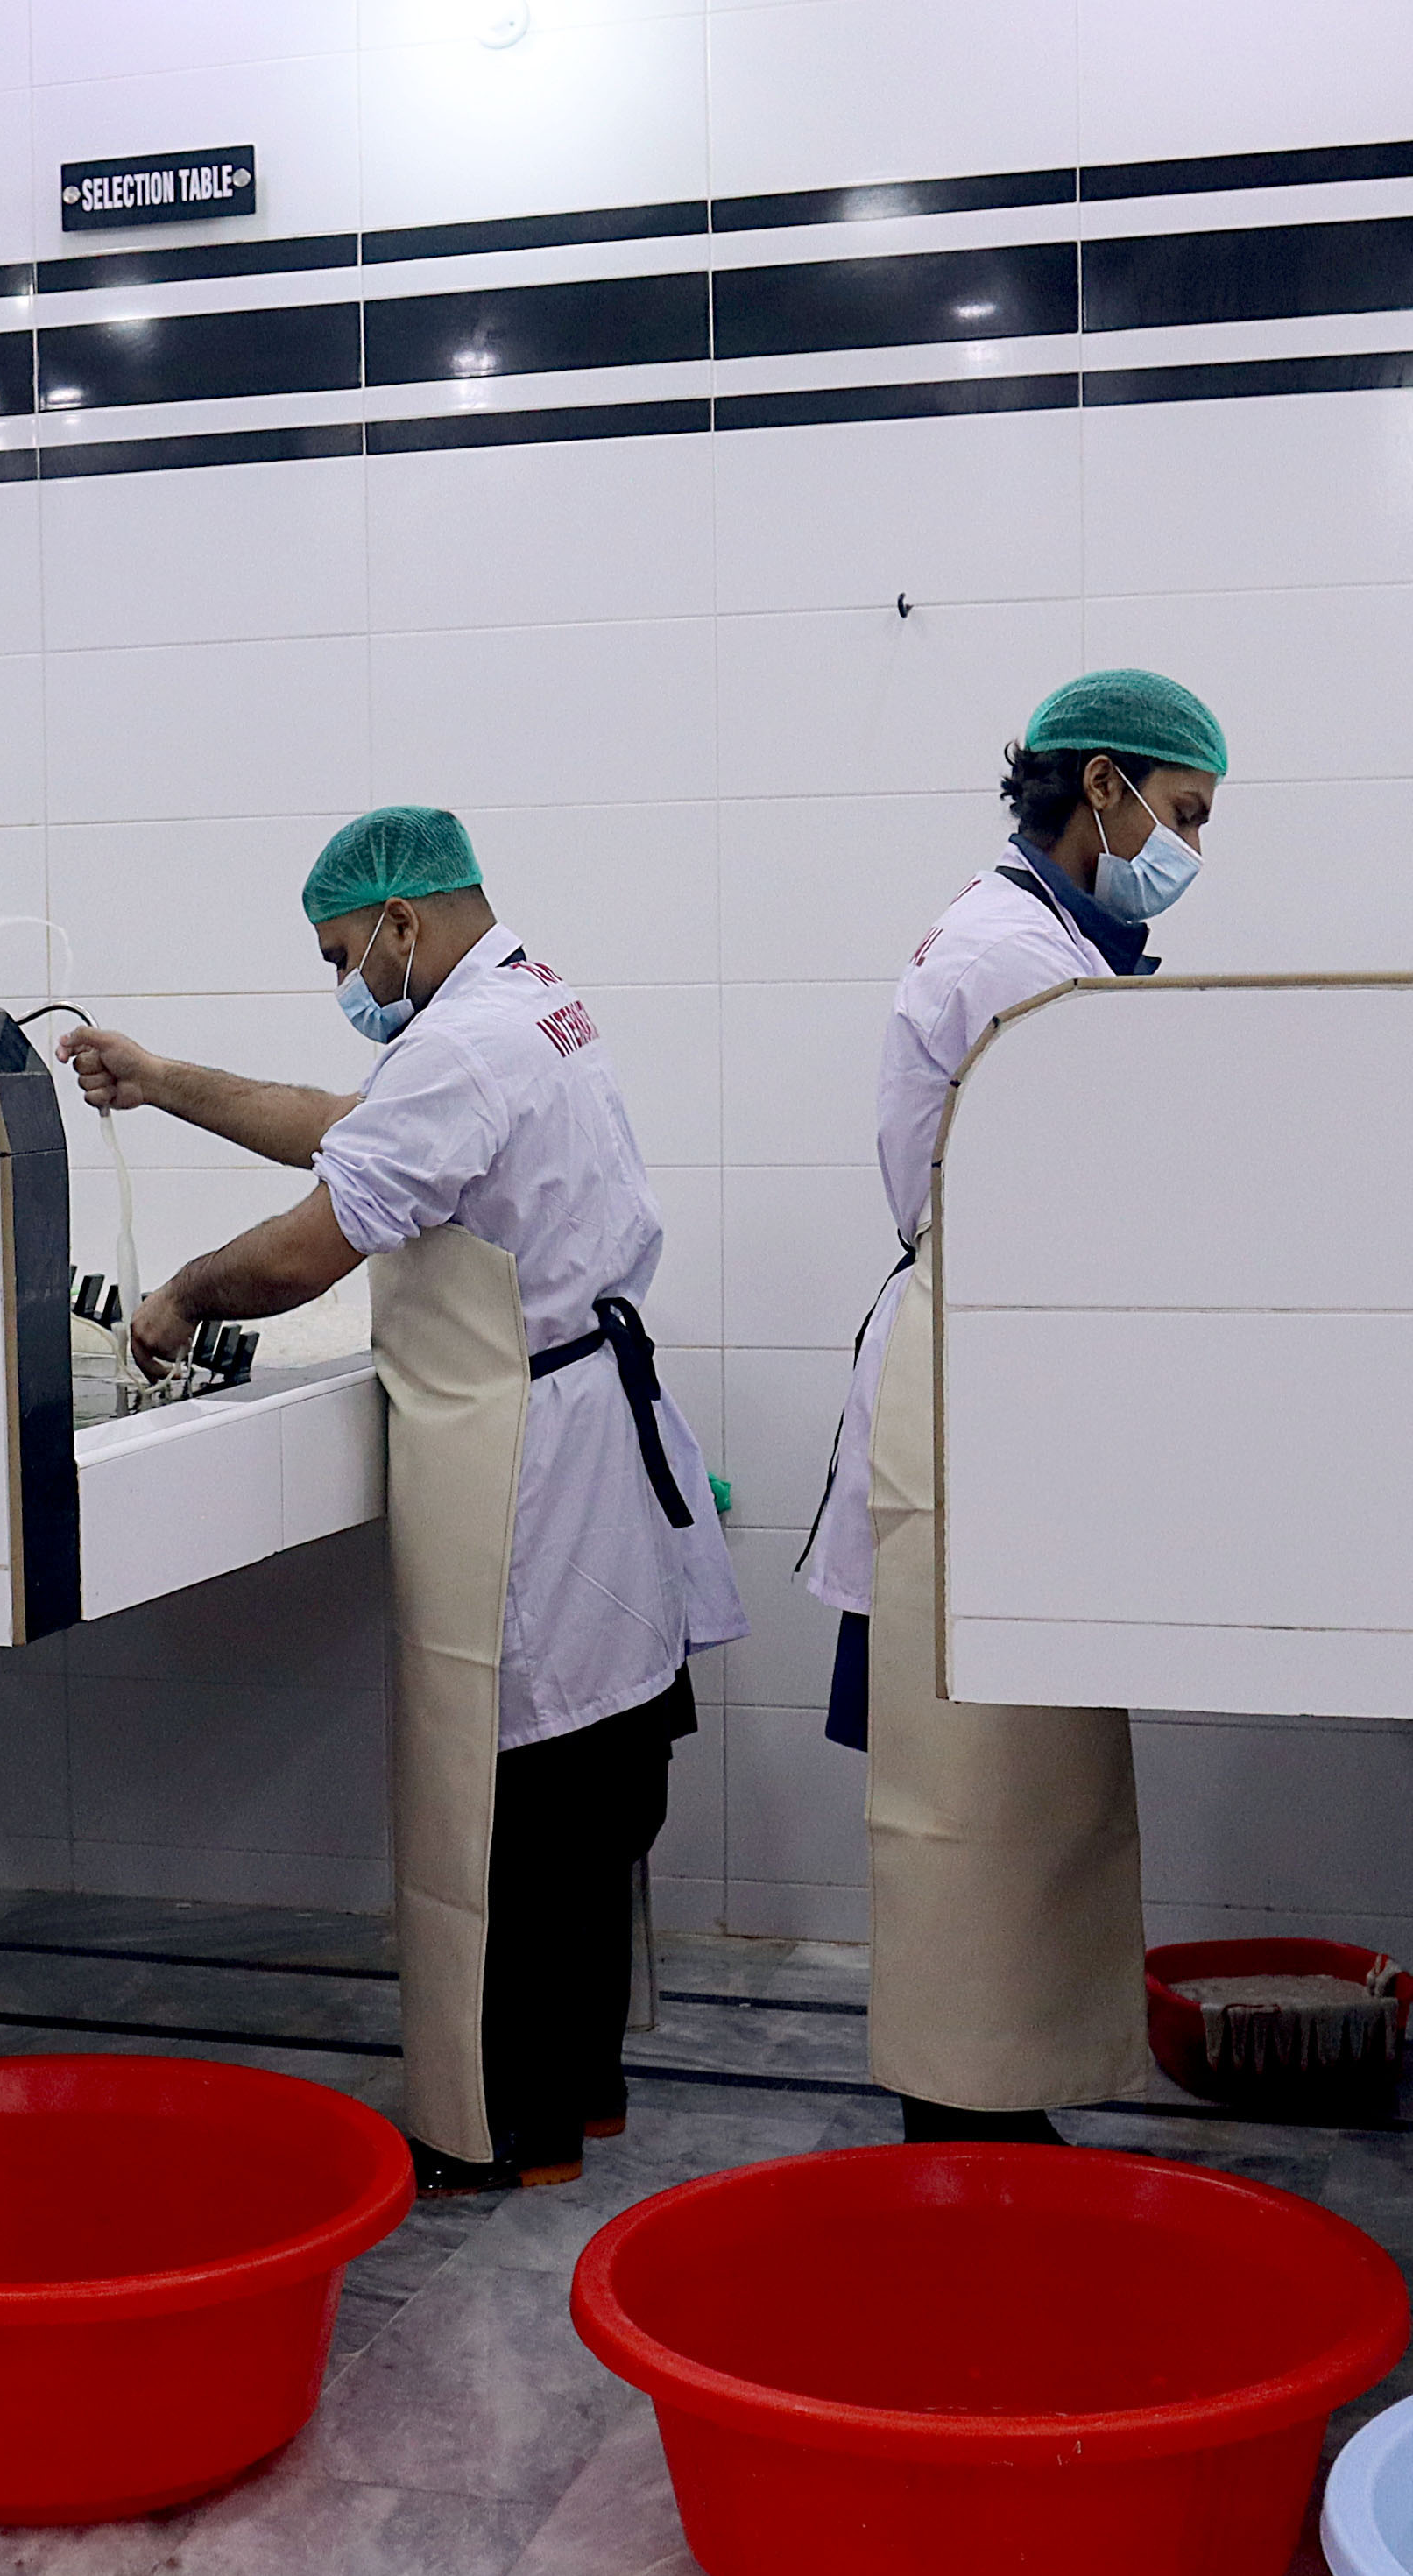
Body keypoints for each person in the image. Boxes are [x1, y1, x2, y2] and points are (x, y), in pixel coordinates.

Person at [60, 808, 742, 2193]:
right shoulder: (523, 1004)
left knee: (515, 1805)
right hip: (580, 1427)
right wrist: (165, 1082)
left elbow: (310, 1250)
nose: (345, 984)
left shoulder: (464, 1044)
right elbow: (353, 1131)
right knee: (599, 1772)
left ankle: (506, 2126)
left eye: (341, 957)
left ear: (404, 924)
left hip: (527, 1455)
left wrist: (178, 1299)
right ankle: (582, 2086)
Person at [794, 671, 1223, 2146]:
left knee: (1018, 1779)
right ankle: (960, 2108)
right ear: (1102, 786)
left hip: (997, 1375)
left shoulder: (1047, 944)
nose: (1191, 848)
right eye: (1183, 814)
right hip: (964, 1393)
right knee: (966, 1780)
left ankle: (993, 2090)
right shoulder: (1012, 959)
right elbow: (1111, 1181)